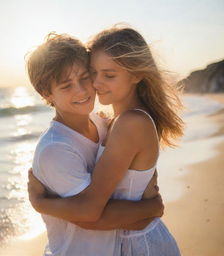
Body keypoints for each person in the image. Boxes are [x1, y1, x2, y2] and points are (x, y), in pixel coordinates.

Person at [28, 26, 184, 255]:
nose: (96, 84)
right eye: (94, 72)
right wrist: (149, 208)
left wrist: (41, 204)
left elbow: (89, 212)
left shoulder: (128, 123)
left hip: (140, 246)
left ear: (137, 74)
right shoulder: (109, 124)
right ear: (47, 94)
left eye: (108, 75)